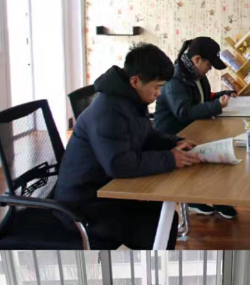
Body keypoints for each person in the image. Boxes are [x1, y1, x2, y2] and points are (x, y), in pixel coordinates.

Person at [54, 43, 201, 249]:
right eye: (157, 87)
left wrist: (174, 142)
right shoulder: (108, 111)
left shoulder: (131, 100)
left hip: (107, 189)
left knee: (162, 217)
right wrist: (170, 158)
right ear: (135, 81)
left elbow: (146, 135)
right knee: (158, 224)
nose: (159, 93)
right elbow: (119, 164)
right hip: (84, 206)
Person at [154, 37, 238, 220]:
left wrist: (224, 95)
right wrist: (217, 106)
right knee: (217, 151)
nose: (210, 69)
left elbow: (204, 98)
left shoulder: (197, 76)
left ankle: (217, 198)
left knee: (222, 146)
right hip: (174, 135)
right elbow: (184, 112)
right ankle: (195, 197)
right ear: (197, 59)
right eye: (209, 64)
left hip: (194, 128)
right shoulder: (175, 79)